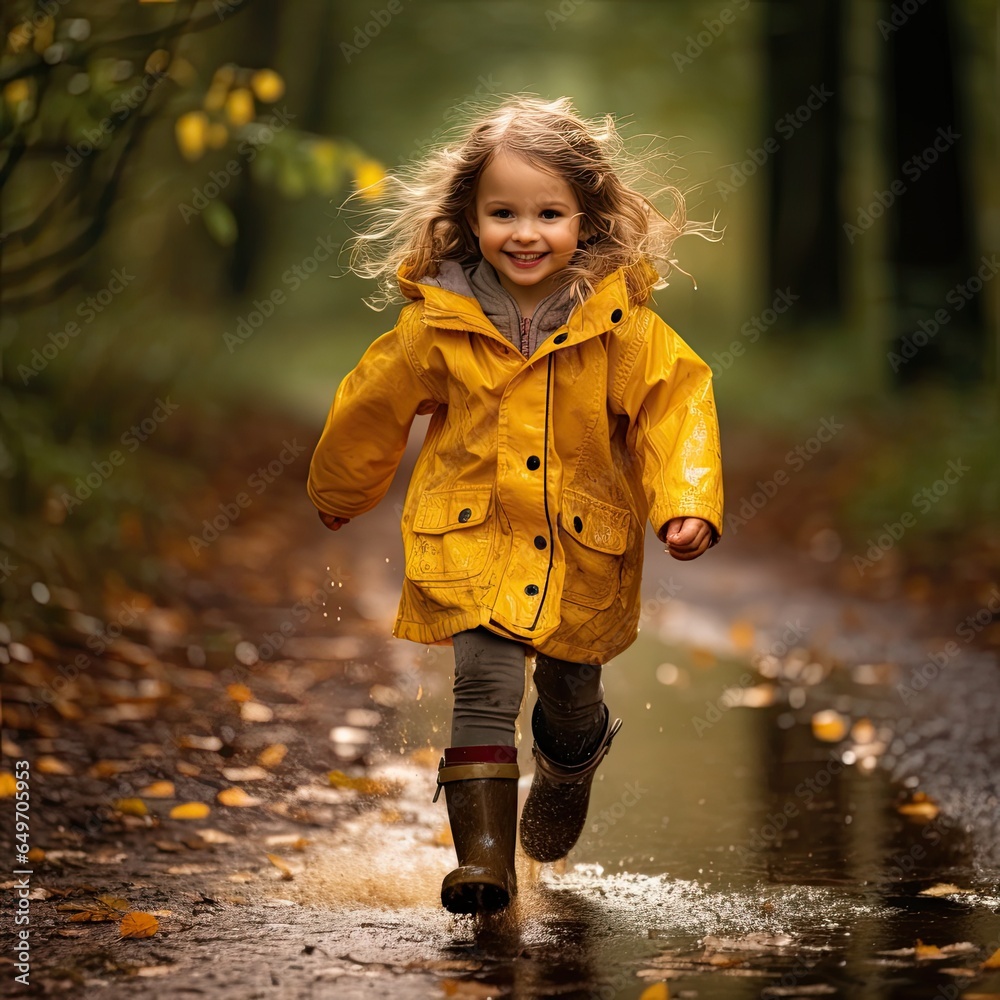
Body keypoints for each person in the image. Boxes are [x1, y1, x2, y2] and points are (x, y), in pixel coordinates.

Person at [307, 95, 723, 916]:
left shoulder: (624, 328)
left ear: (586, 218)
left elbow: (678, 407)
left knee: (569, 695)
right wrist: (341, 487)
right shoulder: (438, 322)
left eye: (548, 213)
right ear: (470, 216)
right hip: (472, 541)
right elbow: (374, 405)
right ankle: (486, 866)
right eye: (503, 212)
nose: (524, 233)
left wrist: (687, 498)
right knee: (483, 685)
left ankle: (570, 767)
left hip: (582, 553)